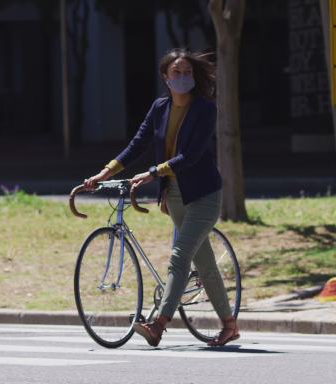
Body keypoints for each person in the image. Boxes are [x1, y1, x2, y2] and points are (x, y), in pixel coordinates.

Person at [83, 48, 239, 347]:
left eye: (187, 72)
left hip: (204, 193)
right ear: (166, 78)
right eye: (176, 73)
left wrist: (153, 173)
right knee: (204, 263)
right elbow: (137, 143)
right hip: (175, 194)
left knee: (180, 256)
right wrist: (105, 172)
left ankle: (158, 324)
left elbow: (191, 155)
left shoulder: (205, 109)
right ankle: (229, 326)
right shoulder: (159, 108)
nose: (182, 77)